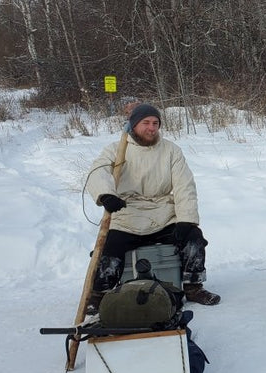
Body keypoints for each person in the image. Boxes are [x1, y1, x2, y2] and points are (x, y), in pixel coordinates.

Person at [85, 103, 221, 313]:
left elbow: (185, 185)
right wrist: (106, 195)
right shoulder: (117, 149)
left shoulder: (170, 150)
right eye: (145, 123)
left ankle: (193, 287)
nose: (151, 128)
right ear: (134, 125)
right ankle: (98, 295)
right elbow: (98, 172)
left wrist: (186, 219)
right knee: (108, 248)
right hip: (127, 214)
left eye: (155, 123)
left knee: (194, 238)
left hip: (162, 214)